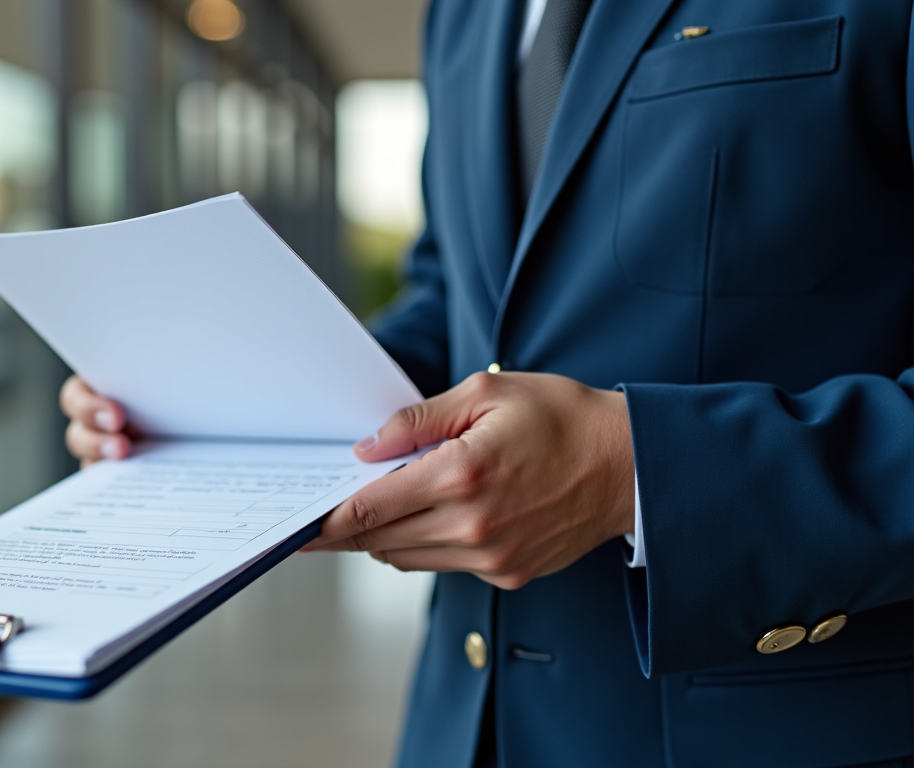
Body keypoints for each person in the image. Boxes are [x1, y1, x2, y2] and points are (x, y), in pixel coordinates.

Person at [62, 0, 914, 765]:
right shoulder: (461, 14)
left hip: (782, 725)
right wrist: (227, 403)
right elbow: (458, 303)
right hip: (465, 725)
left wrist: (633, 473)